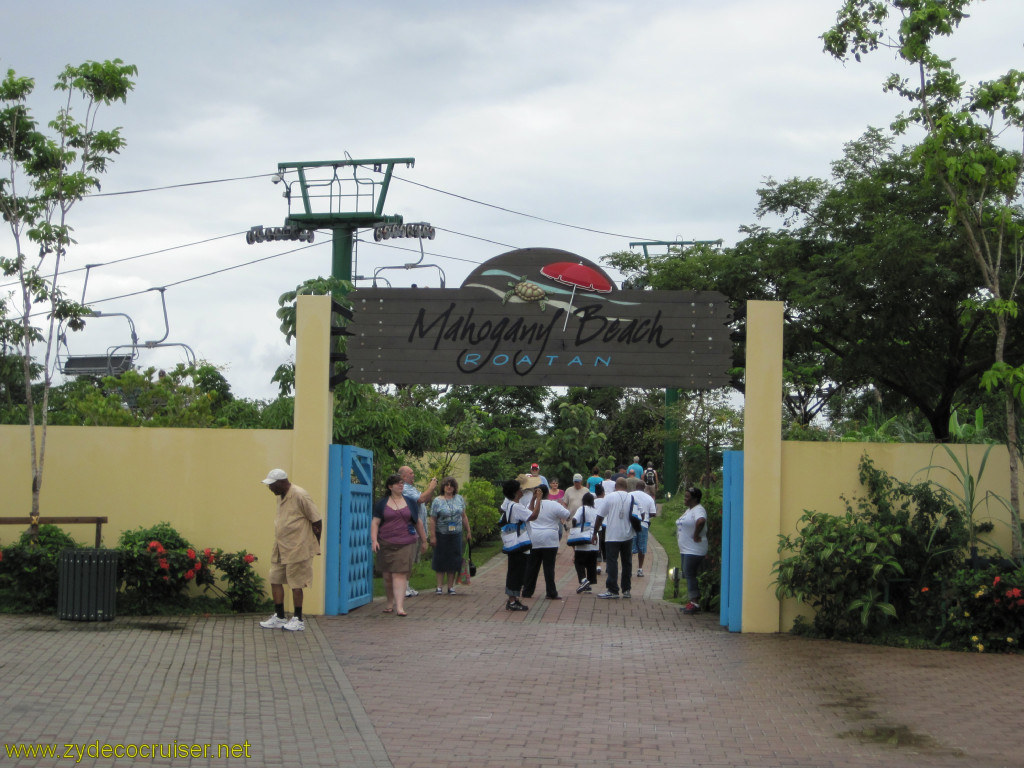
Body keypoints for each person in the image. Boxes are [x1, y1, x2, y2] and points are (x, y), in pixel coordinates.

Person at [259, 468, 322, 632]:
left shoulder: (300, 495)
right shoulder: (280, 496)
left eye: (271, 485)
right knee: (275, 578)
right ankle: (279, 616)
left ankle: (298, 619)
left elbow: (316, 520)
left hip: (298, 547)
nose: (270, 488)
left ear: (281, 483)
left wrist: (316, 543)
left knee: (296, 583)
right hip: (281, 546)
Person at [372, 473, 428, 616]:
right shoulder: (382, 503)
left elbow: (418, 522)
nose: (401, 485)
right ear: (390, 487)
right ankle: (389, 603)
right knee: (387, 576)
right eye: (397, 483)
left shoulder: (410, 502)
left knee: (400, 574)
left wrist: (424, 540)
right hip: (386, 542)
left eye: (402, 483)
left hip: (406, 542)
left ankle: (400, 607)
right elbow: (375, 522)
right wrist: (374, 540)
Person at [521, 484, 570, 601]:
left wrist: (534, 498)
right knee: (549, 567)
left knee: (532, 567)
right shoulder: (553, 505)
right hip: (550, 540)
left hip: (534, 538)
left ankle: (527, 591)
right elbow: (567, 515)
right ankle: (551, 592)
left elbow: (528, 512)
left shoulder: (531, 504)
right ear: (547, 493)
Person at [500, 475, 541, 611]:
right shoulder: (516, 506)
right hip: (519, 544)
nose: (522, 491)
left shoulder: (511, 505)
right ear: (515, 492)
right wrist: (539, 500)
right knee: (516, 572)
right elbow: (533, 516)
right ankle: (512, 600)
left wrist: (534, 499)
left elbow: (527, 512)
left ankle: (513, 599)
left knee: (515, 570)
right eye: (519, 490)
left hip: (514, 543)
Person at [429, 477, 472, 595]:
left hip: (456, 534)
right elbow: (432, 519)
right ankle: (439, 586)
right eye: (447, 485)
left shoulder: (459, 499)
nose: (449, 487)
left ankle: (450, 586)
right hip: (441, 534)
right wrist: (432, 536)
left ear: (454, 487)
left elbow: (463, 516)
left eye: (451, 485)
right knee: (440, 559)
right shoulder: (437, 501)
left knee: (454, 560)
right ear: (443, 487)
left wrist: (468, 531)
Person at [593, 477, 634, 599]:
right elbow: (640, 515)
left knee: (612, 562)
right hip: (628, 535)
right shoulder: (632, 497)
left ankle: (613, 589)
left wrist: (595, 533)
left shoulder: (609, 497)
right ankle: (626, 590)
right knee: (627, 563)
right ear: (626, 486)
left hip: (612, 535)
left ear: (616, 486)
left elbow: (600, 516)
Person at [399, 465, 437, 597]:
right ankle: (402, 587)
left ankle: (406, 586)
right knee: (407, 560)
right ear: (403, 476)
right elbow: (420, 499)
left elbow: (423, 501)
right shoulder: (405, 489)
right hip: (410, 531)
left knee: (412, 560)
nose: (413, 475)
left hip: (417, 531)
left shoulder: (412, 488)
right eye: (411, 473)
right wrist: (431, 487)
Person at [676, 486, 708, 615]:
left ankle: (695, 602)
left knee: (690, 574)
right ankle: (692, 601)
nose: (685, 498)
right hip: (686, 549)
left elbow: (701, 521)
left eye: (687, 497)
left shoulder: (698, 510)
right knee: (688, 574)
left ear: (695, 499)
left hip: (694, 549)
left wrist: (696, 535)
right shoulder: (690, 510)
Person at [570, 492, 600, 593]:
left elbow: (574, 519)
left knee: (579, 561)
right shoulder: (596, 510)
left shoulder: (582, 509)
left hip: (583, 536)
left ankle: (583, 579)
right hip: (595, 537)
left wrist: (576, 528)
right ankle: (589, 584)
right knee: (591, 562)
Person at [629, 482, 657, 577]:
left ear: (636, 487)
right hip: (643, 524)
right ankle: (640, 569)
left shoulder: (629, 495)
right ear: (644, 488)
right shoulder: (649, 498)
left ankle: (628, 568)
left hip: (631, 524)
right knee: (642, 547)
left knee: (630, 547)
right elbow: (653, 513)